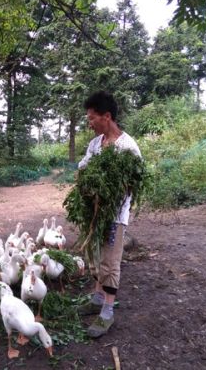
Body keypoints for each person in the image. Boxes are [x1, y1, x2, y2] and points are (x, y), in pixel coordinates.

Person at [77, 90, 141, 338]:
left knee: (110, 263)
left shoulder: (127, 147)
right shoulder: (95, 144)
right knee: (94, 256)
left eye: (92, 118)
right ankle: (96, 298)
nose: (89, 123)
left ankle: (106, 313)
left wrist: (108, 195)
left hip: (114, 216)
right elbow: (83, 167)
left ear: (107, 116)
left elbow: (132, 183)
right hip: (93, 213)